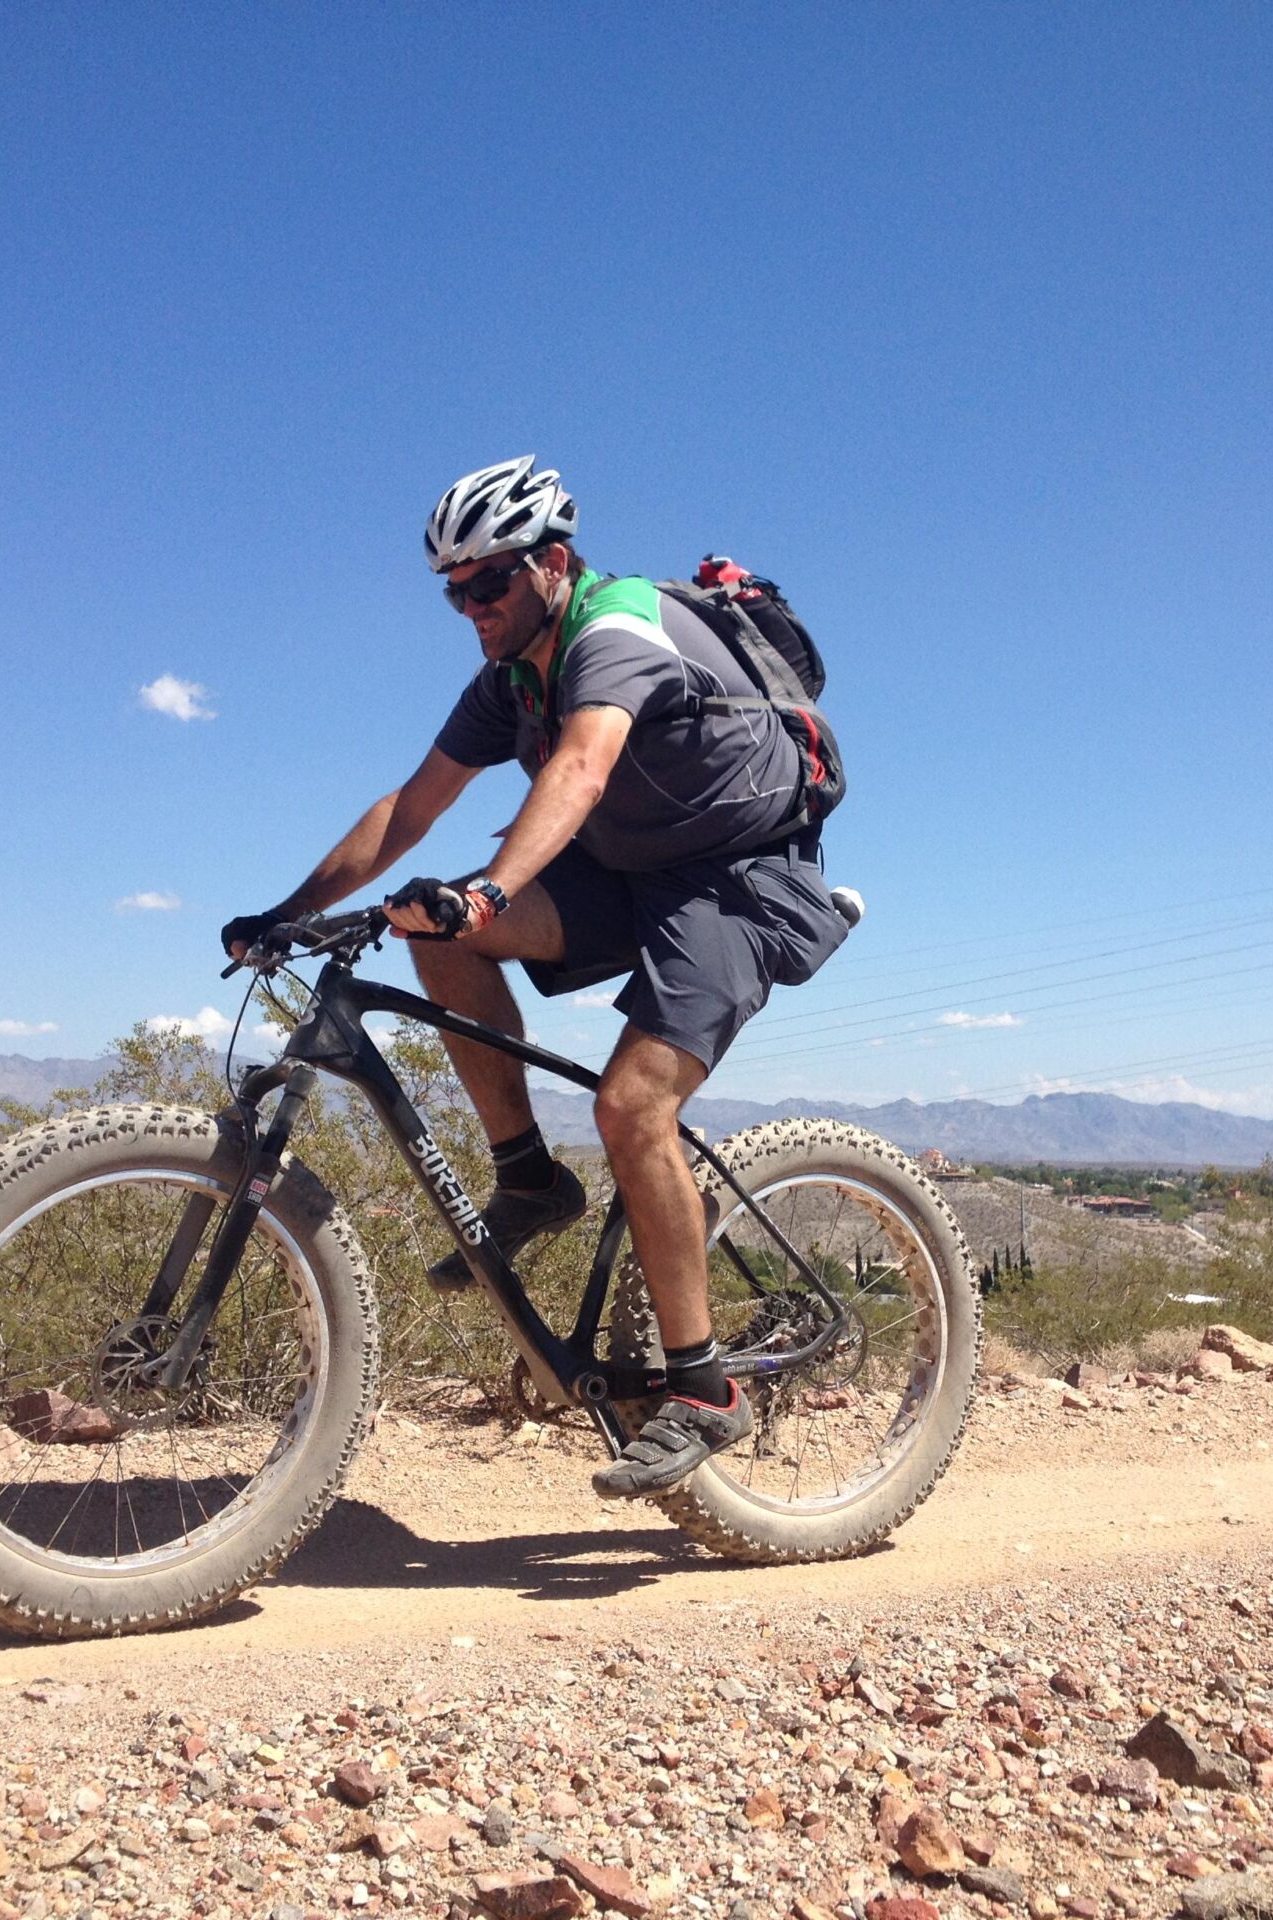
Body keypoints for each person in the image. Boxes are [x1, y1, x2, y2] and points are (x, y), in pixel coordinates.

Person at [222, 457, 849, 1497]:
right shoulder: (512, 674)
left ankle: (705, 1392)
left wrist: (495, 888)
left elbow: (582, 768)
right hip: (624, 870)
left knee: (631, 1106)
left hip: (736, 879)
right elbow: (409, 808)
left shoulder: (616, 629)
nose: (469, 607)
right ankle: (527, 1177)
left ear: (551, 563)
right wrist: (289, 911)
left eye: (488, 584)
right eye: (453, 591)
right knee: (431, 929)